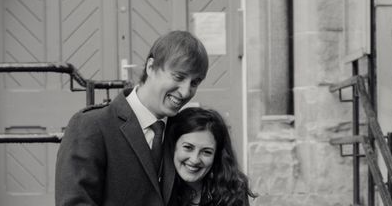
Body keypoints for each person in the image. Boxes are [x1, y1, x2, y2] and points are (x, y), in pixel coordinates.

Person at [55, 30, 209, 206]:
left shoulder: (183, 132)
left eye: (195, 82)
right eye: (179, 77)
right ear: (151, 67)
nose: (185, 91)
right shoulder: (91, 125)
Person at [165, 107, 256, 206]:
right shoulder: (159, 188)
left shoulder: (232, 190)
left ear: (216, 156)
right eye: (188, 147)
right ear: (173, 146)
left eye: (206, 152)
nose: (195, 160)